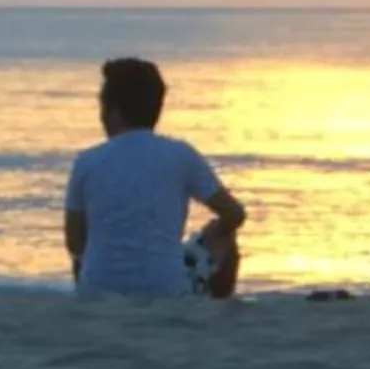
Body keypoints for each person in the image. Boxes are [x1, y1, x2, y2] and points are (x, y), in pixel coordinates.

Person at [64, 57, 245, 299]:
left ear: (114, 113)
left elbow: (74, 241)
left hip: (99, 291)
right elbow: (234, 214)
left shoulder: (87, 161)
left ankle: (91, 290)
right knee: (226, 237)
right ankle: (218, 305)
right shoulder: (180, 154)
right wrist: (214, 230)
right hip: (167, 289)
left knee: (87, 251)